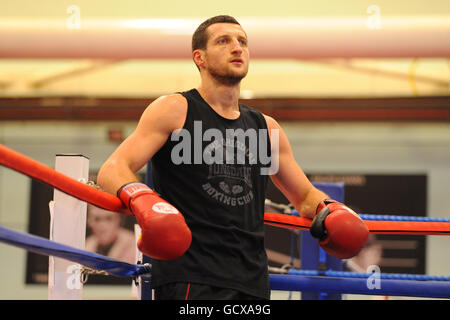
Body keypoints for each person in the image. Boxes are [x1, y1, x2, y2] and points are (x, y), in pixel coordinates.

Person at [97, 15, 369, 300]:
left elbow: (303, 196)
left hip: (251, 280)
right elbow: (113, 169)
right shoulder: (175, 109)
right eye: (223, 41)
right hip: (191, 276)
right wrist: (147, 202)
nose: (237, 48)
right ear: (199, 57)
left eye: (242, 42)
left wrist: (330, 210)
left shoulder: (266, 127)